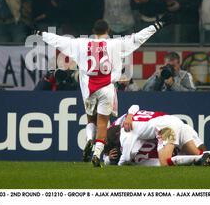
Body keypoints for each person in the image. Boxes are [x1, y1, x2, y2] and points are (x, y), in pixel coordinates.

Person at [37, 16, 172, 167]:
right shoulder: (116, 44)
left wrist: (40, 33)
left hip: (89, 88)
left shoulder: (80, 44)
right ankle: (96, 153)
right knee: (103, 123)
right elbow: (139, 37)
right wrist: (158, 25)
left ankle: (89, 139)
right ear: (108, 30)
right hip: (107, 87)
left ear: (93, 31)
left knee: (90, 119)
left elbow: (58, 40)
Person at [115, 105, 210, 166]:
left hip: (166, 128)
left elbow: (127, 157)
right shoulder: (131, 116)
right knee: (200, 153)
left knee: (165, 162)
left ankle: (199, 159)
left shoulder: (125, 130)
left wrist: (113, 162)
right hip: (176, 122)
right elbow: (134, 106)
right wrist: (130, 115)